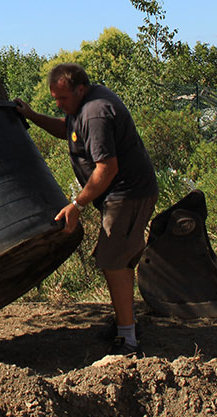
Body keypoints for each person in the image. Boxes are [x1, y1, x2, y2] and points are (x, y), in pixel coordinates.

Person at [14, 62, 158, 357]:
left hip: (126, 193)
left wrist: (77, 204)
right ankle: (124, 324)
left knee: (113, 260)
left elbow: (107, 168)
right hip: (121, 193)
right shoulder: (83, 104)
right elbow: (67, 128)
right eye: (55, 98)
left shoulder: (95, 113)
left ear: (80, 89)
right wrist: (31, 115)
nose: (59, 104)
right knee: (117, 259)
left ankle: (128, 341)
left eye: (63, 99)